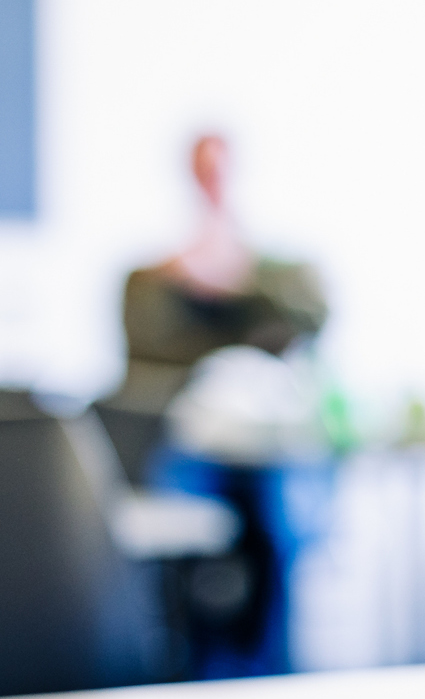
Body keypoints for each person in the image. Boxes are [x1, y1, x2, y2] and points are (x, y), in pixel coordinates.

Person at [97, 133, 328, 485]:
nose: (212, 182)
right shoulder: (148, 282)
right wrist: (183, 279)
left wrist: (242, 279)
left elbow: (310, 327)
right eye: (204, 172)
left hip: (266, 437)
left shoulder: (283, 276)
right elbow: (144, 357)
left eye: (219, 171)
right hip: (180, 436)